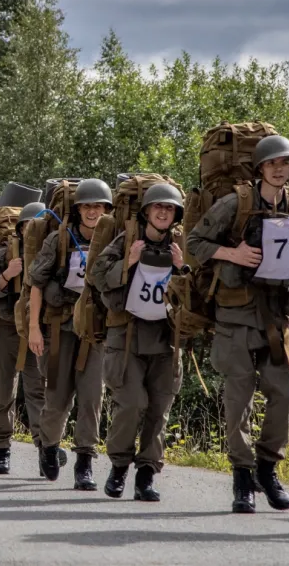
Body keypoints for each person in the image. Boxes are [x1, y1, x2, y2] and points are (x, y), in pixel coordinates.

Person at [187, 135, 289, 513]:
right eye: (273, 163)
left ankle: (267, 468)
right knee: (239, 400)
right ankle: (242, 477)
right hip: (236, 317)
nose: (280, 169)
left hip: (279, 317)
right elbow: (194, 244)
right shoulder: (236, 203)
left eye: (286, 164)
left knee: (286, 394)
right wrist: (233, 252)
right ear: (260, 167)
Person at [91, 183, 189, 502]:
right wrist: (128, 262)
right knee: (131, 404)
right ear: (146, 211)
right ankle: (119, 467)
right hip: (128, 336)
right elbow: (97, 277)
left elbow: (198, 292)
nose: (163, 212)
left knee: (159, 409)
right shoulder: (126, 241)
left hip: (166, 339)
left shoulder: (180, 245)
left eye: (170, 208)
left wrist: (182, 268)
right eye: (157, 206)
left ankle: (146, 474)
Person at [27, 179, 113, 487]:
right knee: (58, 398)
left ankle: (85, 463)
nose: (93, 212)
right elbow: (36, 283)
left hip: (96, 332)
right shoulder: (58, 240)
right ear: (77, 210)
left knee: (92, 397)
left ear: (107, 210)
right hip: (59, 329)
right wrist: (34, 328)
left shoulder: (114, 240)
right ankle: (48, 447)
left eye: (98, 206)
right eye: (87, 206)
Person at [0, 201, 48, 475]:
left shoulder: (50, 252)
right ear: (19, 229)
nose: (32, 231)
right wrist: (7, 275)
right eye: (27, 226)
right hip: (5, 329)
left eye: (37, 226)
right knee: (3, 391)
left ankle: (45, 449)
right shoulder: (5, 251)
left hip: (36, 329)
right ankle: (1, 449)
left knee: (37, 392)